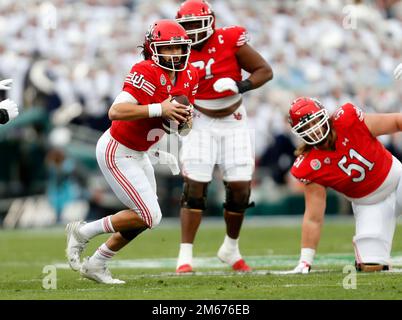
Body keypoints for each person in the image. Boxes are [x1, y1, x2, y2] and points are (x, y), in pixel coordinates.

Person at [65, 19, 198, 284]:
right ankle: (83, 231)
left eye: (178, 48)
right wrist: (160, 108)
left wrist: (183, 124)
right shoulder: (146, 70)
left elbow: (176, 124)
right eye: (167, 49)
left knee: (148, 217)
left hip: (140, 151)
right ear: (152, 49)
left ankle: (97, 263)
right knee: (148, 214)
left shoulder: (190, 74)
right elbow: (115, 111)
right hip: (118, 149)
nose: (174, 54)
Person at [174, 0, 273, 273]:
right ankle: (185, 256)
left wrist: (240, 85)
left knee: (240, 188)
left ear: (211, 21)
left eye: (197, 24)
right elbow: (173, 88)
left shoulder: (229, 39)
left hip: (234, 120)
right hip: (200, 120)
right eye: (188, 25)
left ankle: (230, 248)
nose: (192, 31)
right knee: (195, 186)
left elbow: (265, 71)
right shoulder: (177, 49)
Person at [287, 93, 402, 273]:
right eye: (306, 126)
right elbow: (313, 217)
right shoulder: (309, 165)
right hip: (370, 205)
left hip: (397, 180)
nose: (314, 129)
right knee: (371, 266)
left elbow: (396, 122)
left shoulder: (348, 119)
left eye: (315, 121)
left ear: (325, 115)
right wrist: (305, 260)